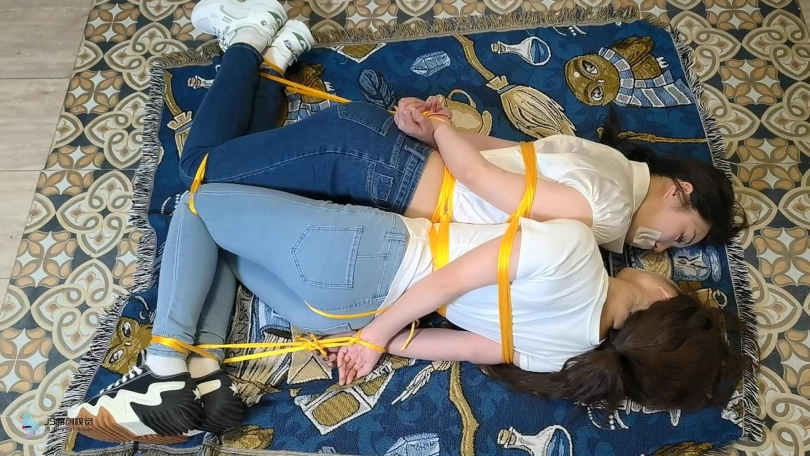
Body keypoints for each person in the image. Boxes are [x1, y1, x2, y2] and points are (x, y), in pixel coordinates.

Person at [68, 183, 745, 443]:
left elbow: (453, 275)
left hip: (361, 260)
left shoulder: (575, 248)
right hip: (331, 312)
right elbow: (462, 347)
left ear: (663, 299)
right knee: (223, 249)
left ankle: (164, 368)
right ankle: (206, 377)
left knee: (196, 205)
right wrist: (371, 343)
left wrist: (374, 334)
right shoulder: (563, 357)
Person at [179, 0, 745, 258]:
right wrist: (441, 133)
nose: (663, 248)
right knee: (200, 172)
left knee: (236, 164)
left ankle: (273, 63)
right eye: (681, 235)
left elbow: (507, 152)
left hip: (382, 153)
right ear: (680, 191)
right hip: (373, 167)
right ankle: (248, 37)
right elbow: (477, 175)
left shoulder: (612, 163)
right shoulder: (607, 211)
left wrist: (434, 129)